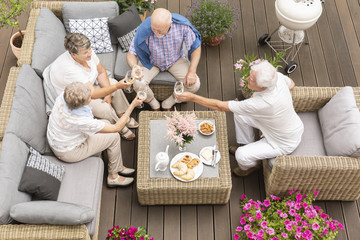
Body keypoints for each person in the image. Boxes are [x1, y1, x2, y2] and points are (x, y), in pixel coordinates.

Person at [176, 60, 304, 176]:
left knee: (241, 155)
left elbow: (220, 106)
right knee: (240, 114)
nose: (247, 78)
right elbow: (291, 84)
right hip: (287, 126)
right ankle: (247, 144)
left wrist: (192, 97)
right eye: (250, 75)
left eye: (251, 79)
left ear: (263, 87)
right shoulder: (277, 78)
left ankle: (250, 166)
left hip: (282, 142)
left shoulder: (262, 103)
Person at [47, 82, 144, 186]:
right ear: (82, 104)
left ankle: (118, 166)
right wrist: (133, 105)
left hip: (58, 138)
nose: (91, 96)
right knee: (114, 137)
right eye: (90, 97)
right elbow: (117, 128)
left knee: (106, 123)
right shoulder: (80, 120)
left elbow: (88, 86)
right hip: (67, 151)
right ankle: (113, 177)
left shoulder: (64, 96)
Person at [44, 33, 138, 140]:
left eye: (89, 49)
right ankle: (118, 125)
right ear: (74, 55)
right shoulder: (70, 69)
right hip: (77, 97)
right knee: (106, 108)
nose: (90, 53)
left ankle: (123, 114)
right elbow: (91, 94)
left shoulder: (89, 53)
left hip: (89, 85)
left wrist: (109, 93)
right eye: (85, 53)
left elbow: (101, 72)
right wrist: (115, 87)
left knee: (112, 82)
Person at [126, 8, 202, 111]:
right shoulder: (144, 28)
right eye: (154, 29)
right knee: (137, 82)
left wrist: (192, 71)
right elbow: (131, 53)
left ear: (170, 23)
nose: (156, 34)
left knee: (195, 84)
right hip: (151, 61)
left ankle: (170, 101)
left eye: (160, 31)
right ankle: (153, 103)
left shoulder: (183, 26)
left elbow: (196, 47)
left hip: (175, 60)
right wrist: (134, 66)